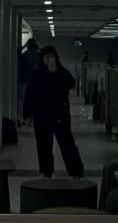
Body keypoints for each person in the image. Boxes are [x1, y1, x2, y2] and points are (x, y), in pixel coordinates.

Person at [23, 45, 84, 179]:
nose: (50, 60)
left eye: (52, 57)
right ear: (42, 59)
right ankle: (46, 171)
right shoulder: (37, 75)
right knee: (44, 145)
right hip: (42, 115)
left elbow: (71, 83)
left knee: (67, 143)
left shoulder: (62, 72)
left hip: (60, 115)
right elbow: (30, 95)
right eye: (47, 58)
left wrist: (56, 72)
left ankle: (76, 171)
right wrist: (27, 114)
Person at [17, 38, 41, 124]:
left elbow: (18, 51)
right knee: (34, 100)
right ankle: (32, 118)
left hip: (24, 79)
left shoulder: (24, 54)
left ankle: (22, 118)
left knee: (22, 99)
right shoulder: (39, 54)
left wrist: (25, 46)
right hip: (35, 81)